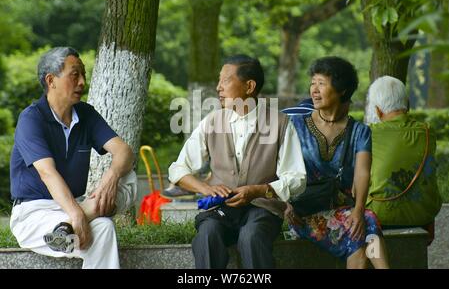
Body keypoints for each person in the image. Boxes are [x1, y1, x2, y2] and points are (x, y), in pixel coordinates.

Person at [168, 54, 307, 269]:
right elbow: (178, 169)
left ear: (249, 86)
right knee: (207, 235)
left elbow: (297, 178)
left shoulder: (279, 123)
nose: (218, 88)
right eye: (219, 80)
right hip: (220, 208)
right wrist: (205, 189)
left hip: (263, 209)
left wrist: (257, 190)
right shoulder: (212, 121)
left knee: (251, 236)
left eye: (225, 80)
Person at [9, 47, 137, 269]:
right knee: (104, 226)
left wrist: (111, 177)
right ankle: (71, 224)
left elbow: (124, 151)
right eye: (75, 74)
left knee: (129, 177)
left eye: (83, 74)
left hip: (73, 210)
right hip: (34, 215)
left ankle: (66, 229)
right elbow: (47, 173)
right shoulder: (32, 118)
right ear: (51, 80)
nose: (82, 82)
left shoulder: (86, 114)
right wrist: (75, 212)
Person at [284, 56, 389, 269]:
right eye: (313, 83)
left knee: (361, 234)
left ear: (341, 90)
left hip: (344, 211)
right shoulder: (295, 126)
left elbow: (362, 172)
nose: (314, 89)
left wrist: (358, 208)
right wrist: (283, 203)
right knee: (367, 224)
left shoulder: (360, 132)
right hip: (302, 212)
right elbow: (278, 169)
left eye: (321, 84)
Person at [365, 76, 442, 242]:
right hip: (422, 214)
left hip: (380, 215)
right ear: (407, 104)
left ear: (378, 110)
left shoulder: (369, 133)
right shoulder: (427, 132)